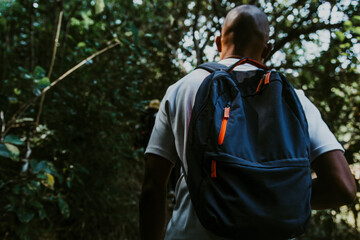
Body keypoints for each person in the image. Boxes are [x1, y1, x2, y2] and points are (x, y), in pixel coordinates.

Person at [139, 5, 356, 240]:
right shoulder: (295, 99)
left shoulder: (181, 89)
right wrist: (272, 197)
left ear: (218, 42)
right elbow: (342, 187)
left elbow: (153, 185)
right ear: (268, 49)